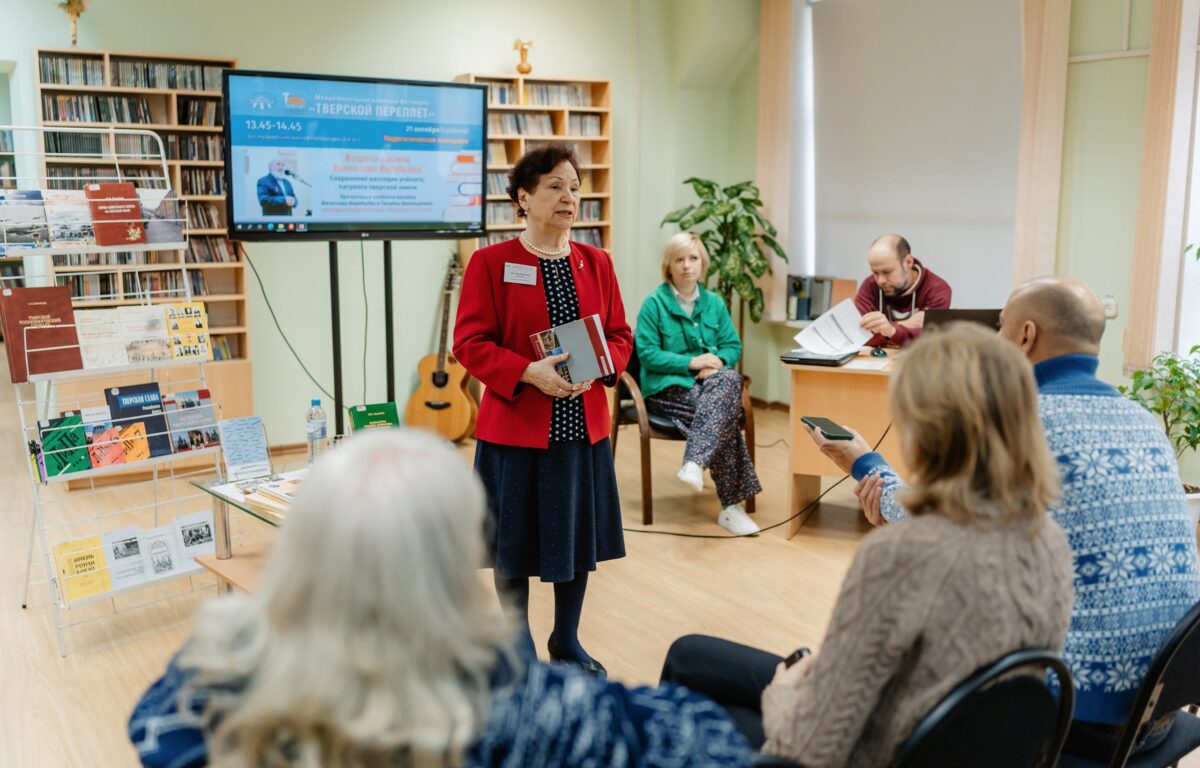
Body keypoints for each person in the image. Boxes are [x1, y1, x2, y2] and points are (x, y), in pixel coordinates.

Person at [128, 429, 752, 767]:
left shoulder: (209, 671)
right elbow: (707, 744)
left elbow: (148, 728)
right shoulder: (524, 703)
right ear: (457, 561)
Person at [811, 276, 1200, 761]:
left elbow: (933, 527)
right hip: (1161, 705)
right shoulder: (1144, 422)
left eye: (1000, 327)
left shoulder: (1020, 423)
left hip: (1070, 720)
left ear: (1025, 336)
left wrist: (865, 463)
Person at [660, 323, 1074, 767]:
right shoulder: (1048, 542)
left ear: (927, 430)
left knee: (688, 669)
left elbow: (809, 749)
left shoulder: (898, 556)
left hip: (877, 751)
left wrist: (780, 695)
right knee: (692, 655)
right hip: (963, 746)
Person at [453, 143, 633, 676]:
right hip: (516, 427)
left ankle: (566, 640)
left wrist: (601, 366)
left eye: (575, 187)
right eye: (555, 185)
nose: (568, 196)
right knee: (513, 545)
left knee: (574, 541)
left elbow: (620, 336)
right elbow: (469, 343)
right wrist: (527, 372)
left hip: (581, 426)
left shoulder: (596, 262)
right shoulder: (491, 262)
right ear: (523, 198)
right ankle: (517, 646)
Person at [634, 232, 762, 535]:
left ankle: (695, 461)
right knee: (724, 413)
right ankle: (731, 508)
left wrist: (714, 361)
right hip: (667, 389)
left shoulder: (714, 303)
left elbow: (732, 345)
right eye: (679, 259)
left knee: (727, 378)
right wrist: (691, 363)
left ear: (702, 263)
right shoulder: (653, 304)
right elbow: (648, 354)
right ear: (669, 265)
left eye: (693, 258)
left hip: (710, 386)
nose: (687, 266)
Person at [853, 234, 951, 347]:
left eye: (887, 272)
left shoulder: (937, 289)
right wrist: (903, 325)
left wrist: (887, 330)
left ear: (908, 262)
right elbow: (857, 336)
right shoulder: (869, 285)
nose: (880, 280)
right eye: (875, 272)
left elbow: (930, 339)